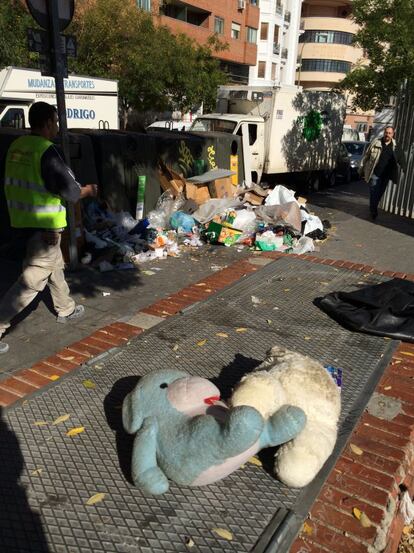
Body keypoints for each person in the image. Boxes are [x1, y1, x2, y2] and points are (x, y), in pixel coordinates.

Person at [0, 102, 98, 354]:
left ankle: (65, 307)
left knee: (53, 266)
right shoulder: (47, 151)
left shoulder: (16, 146)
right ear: (46, 124)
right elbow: (70, 191)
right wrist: (88, 190)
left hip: (20, 221)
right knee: (32, 280)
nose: (56, 127)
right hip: (45, 226)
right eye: (55, 122)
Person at [360, 126, 401, 220]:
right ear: (384, 132)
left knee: (380, 193)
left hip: (386, 175)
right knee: (374, 192)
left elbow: (400, 158)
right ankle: (373, 210)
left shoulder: (395, 146)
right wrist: (361, 168)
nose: (387, 135)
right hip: (375, 173)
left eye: (390, 133)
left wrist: (403, 167)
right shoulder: (376, 142)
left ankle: (373, 207)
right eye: (386, 132)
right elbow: (367, 155)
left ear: (393, 134)